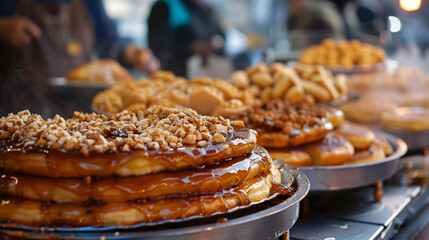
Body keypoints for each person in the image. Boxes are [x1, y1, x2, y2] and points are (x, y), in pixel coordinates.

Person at [0, 0, 159, 116]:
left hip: (78, 111)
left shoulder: (90, 3)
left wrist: (129, 51)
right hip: (18, 109)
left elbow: (108, 38)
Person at [148, 0, 224, 77]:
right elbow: (159, 46)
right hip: (175, 74)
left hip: (207, 72)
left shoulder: (206, 9)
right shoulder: (166, 6)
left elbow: (219, 34)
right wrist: (189, 47)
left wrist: (216, 43)